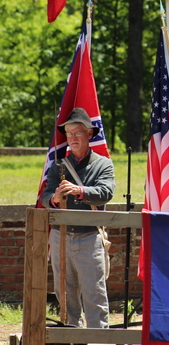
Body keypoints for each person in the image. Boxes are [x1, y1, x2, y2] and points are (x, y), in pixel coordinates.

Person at [41, 108, 115, 328]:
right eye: (69, 134)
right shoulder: (59, 166)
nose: (72, 138)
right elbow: (45, 196)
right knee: (64, 292)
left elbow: (106, 192)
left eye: (78, 133)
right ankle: (71, 334)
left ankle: (98, 338)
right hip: (60, 236)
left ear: (89, 134)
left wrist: (80, 190)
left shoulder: (103, 164)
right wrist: (54, 198)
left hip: (89, 235)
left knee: (94, 292)